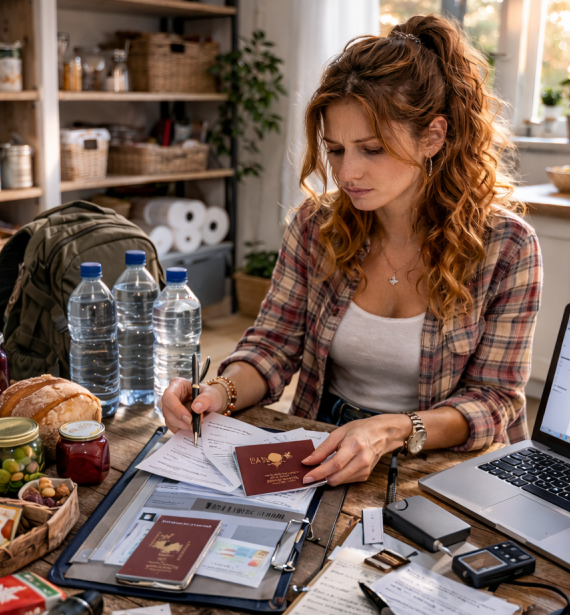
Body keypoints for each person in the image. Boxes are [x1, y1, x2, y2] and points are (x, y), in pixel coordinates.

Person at [162, 14, 541, 487]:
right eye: (336, 149)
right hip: (323, 444)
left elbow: (494, 400)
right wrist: (219, 392)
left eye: (371, 149)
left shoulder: (506, 247)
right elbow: (274, 345)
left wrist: (392, 431)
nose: (347, 173)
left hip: (439, 463)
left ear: (433, 137)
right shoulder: (316, 226)